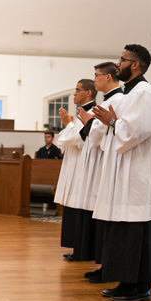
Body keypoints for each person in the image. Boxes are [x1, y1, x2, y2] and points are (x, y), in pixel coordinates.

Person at [91, 44, 151, 301]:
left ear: (135, 64)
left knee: (136, 230)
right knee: (124, 230)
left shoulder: (144, 93)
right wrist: (111, 123)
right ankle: (126, 282)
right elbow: (122, 129)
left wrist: (112, 122)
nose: (117, 64)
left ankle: (139, 286)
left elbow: (138, 130)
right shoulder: (129, 94)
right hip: (126, 169)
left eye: (122, 59)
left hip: (137, 172)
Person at [72, 63, 122, 281]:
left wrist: (90, 124)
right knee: (103, 219)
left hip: (107, 164)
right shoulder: (109, 100)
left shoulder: (117, 100)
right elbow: (97, 132)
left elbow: (102, 134)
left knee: (108, 220)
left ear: (108, 77)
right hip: (103, 161)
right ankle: (104, 265)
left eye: (97, 75)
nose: (94, 80)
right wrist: (89, 125)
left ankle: (108, 267)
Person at [55, 78, 97, 262]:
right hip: (75, 165)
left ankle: (84, 250)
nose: (74, 93)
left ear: (88, 92)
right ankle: (78, 248)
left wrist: (67, 124)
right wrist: (70, 125)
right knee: (73, 207)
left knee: (82, 208)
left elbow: (78, 139)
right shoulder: (82, 113)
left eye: (78, 90)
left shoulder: (93, 113)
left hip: (85, 168)